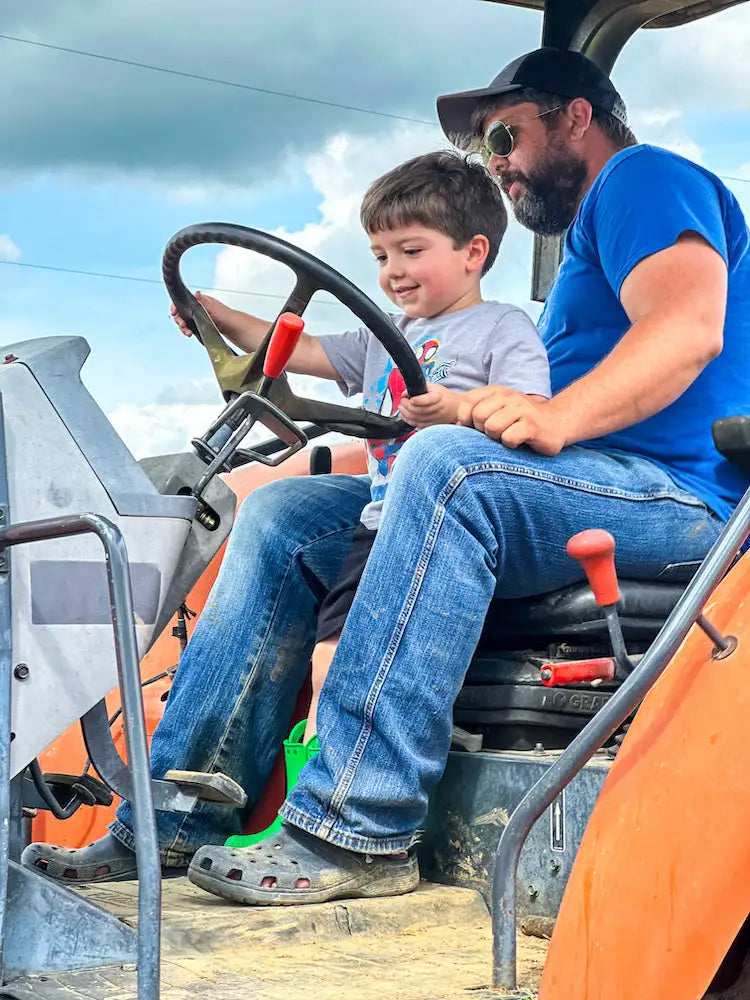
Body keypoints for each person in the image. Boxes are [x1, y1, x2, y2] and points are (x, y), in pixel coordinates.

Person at [23, 47, 749, 908]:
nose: (498, 164)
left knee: (447, 469)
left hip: (676, 496)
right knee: (290, 512)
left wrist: (550, 416)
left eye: (505, 137)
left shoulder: (641, 178)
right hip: (577, 479)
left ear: (575, 117)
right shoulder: (589, 244)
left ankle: (358, 827)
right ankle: (174, 823)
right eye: (486, 150)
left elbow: (689, 327)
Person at [177, 150, 550, 850]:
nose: (394, 271)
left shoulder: (503, 328)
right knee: (324, 663)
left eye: (412, 250)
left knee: (345, 660)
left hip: (447, 523)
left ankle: (331, 816)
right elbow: (300, 349)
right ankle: (262, 803)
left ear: (475, 252)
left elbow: (530, 412)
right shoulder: (387, 335)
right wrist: (215, 312)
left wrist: (458, 409)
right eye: (381, 254)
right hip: (377, 525)